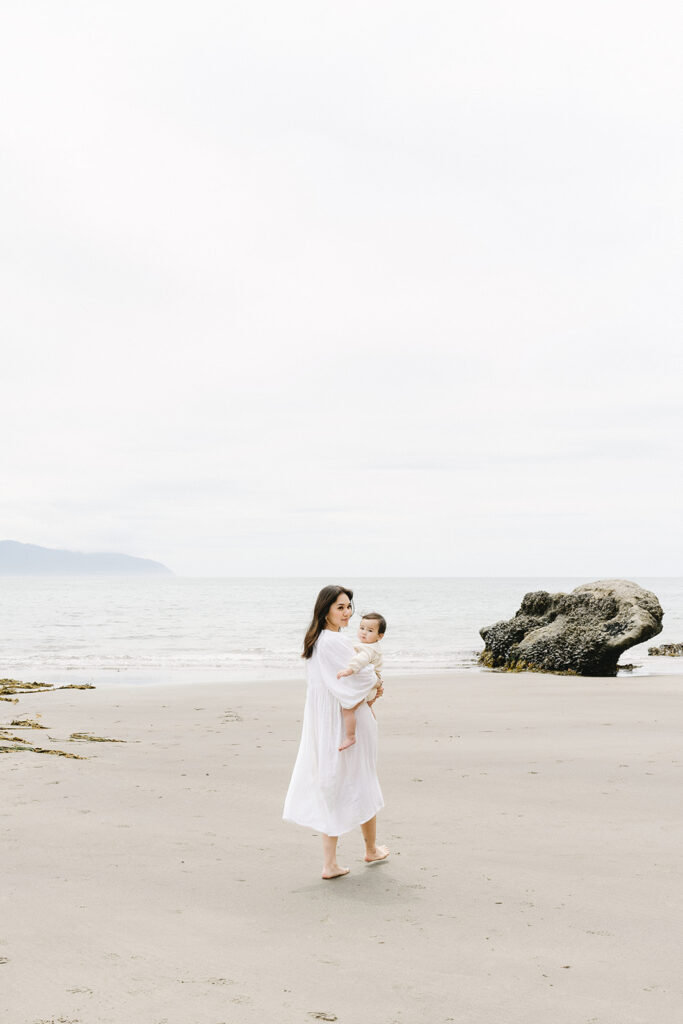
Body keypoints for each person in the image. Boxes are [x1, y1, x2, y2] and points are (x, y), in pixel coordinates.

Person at [282, 585, 390, 879]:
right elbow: (362, 677)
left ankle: (341, 859)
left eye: (349, 607)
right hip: (345, 720)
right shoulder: (335, 643)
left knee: (333, 782)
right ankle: (367, 850)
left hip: (325, 721)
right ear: (326, 608)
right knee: (361, 779)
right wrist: (376, 685)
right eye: (340, 607)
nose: (347, 613)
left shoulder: (316, 640)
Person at [336, 612, 386, 750]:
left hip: (369, 687)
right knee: (368, 707)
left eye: (370, 630)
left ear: (380, 636)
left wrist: (349, 670)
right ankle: (372, 723)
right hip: (372, 686)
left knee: (347, 708)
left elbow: (361, 659)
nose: (364, 632)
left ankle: (350, 737)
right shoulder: (372, 646)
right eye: (362, 628)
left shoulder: (368, 649)